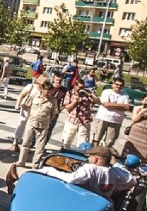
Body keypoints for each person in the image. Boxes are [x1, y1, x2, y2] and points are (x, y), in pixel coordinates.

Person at [7, 145, 135, 199]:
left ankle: (18, 181)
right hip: (102, 201)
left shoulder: (90, 168)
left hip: (82, 199)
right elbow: (131, 181)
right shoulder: (115, 173)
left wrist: (49, 170)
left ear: (96, 159)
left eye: (89, 156)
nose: (87, 158)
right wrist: (116, 164)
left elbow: (72, 179)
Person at [17, 81, 59, 168]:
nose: (48, 93)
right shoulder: (34, 96)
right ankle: (21, 162)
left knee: (40, 148)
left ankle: (35, 165)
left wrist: (47, 120)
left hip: (43, 126)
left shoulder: (53, 101)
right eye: (46, 91)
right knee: (25, 143)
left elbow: (54, 114)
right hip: (31, 123)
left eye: (49, 91)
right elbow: (26, 105)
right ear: (42, 89)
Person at [11, 74, 49, 151]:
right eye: (43, 81)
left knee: (30, 128)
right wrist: (17, 104)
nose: (43, 83)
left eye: (45, 82)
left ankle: (26, 145)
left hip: (35, 111)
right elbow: (22, 95)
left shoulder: (43, 90)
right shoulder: (31, 86)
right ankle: (15, 142)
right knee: (22, 124)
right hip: (26, 108)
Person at [92, 77, 130, 149]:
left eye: (121, 85)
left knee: (110, 141)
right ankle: (93, 151)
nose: (118, 86)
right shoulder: (106, 92)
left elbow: (127, 108)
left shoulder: (125, 95)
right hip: (103, 117)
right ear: (113, 84)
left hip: (116, 121)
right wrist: (121, 106)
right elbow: (106, 105)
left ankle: (104, 156)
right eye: (117, 84)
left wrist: (112, 105)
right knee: (97, 137)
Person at [60, 79, 98, 150]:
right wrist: (76, 101)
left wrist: (89, 94)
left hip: (84, 121)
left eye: (83, 87)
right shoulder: (70, 93)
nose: (81, 90)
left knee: (83, 145)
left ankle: (79, 158)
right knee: (66, 141)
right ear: (75, 86)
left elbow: (97, 101)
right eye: (80, 88)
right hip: (72, 120)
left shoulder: (88, 93)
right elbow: (68, 108)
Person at [121, 94, 147, 161]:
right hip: (135, 131)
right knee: (131, 148)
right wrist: (141, 112)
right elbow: (134, 120)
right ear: (142, 100)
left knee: (145, 150)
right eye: (146, 100)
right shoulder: (137, 108)